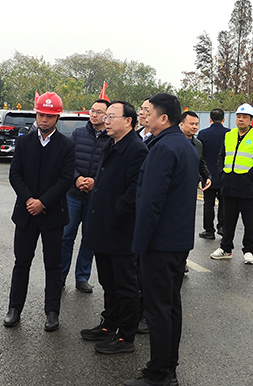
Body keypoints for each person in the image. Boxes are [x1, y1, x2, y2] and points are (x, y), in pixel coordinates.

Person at [124, 93, 198, 386]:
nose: (145, 117)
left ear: (164, 118)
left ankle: (158, 373)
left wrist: (139, 245)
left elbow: (150, 201)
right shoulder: (184, 145)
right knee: (170, 307)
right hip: (177, 241)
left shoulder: (164, 148)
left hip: (159, 243)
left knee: (157, 310)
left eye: (149, 113)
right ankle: (168, 368)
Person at [4, 92, 76, 332]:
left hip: (53, 215)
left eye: (49, 116)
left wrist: (43, 202)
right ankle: (14, 309)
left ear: (57, 118)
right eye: (41, 114)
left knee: (53, 265)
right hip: (26, 214)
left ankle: (52, 312)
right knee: (21, 262)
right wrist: (29, 200)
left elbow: (65, 179)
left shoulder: (67, 146)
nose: (44, 119)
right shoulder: (24, 142)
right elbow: (15, 175)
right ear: (36, 114)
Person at [81, 101, 148, 354]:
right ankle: (109, 323)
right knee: (108, 281)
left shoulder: (136, 149)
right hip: (103, 226)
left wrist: (116, 211)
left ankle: (125, 336)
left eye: (111, 117)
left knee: (125, 285)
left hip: (121, 229)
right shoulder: (111, 144)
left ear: (128, 121)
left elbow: (134, 192)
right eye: (105, 116)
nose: (105, 121)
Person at [61, 99, 110, 293]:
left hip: (95, 198)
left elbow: (110, 168)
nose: (94, 115)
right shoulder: (78, 133)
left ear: (107, 116)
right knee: (66, 237)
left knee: (89, 239)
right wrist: (77, 178)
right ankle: (60, 276)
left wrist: (95, 182)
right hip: (73, 195)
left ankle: (82, 277)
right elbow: (67, 161)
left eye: (99, 112)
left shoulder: (111, 139)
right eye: (92, 111)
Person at [211, 103, 253, 264]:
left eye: (245, 117)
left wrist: (250, 176)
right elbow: (221, 156)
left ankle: (249, 251)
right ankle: (226, 248)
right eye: (239, 116)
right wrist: (222, 173)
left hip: (246, 186)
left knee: (249, 221)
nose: (241, 119)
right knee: (228, 220)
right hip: (228, 184)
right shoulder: (229, 135)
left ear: (251, 119)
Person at [196, 108, 229, 239]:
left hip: (208, 174)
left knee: (208, 204)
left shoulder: (203, 134)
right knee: (224, 203)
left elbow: (200, 155)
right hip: (224, 174)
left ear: (210, 119)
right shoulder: (229, 134)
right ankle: (222, 227)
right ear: (223, 119)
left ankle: (209, 230)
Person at [179, 111, 211, 190]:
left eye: (196, 124)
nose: (194, 127)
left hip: (191, 185)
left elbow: (200, 163)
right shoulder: (174, 142)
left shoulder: (198, 144)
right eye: (191, 124)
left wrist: (207, 177)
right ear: (181, 124)